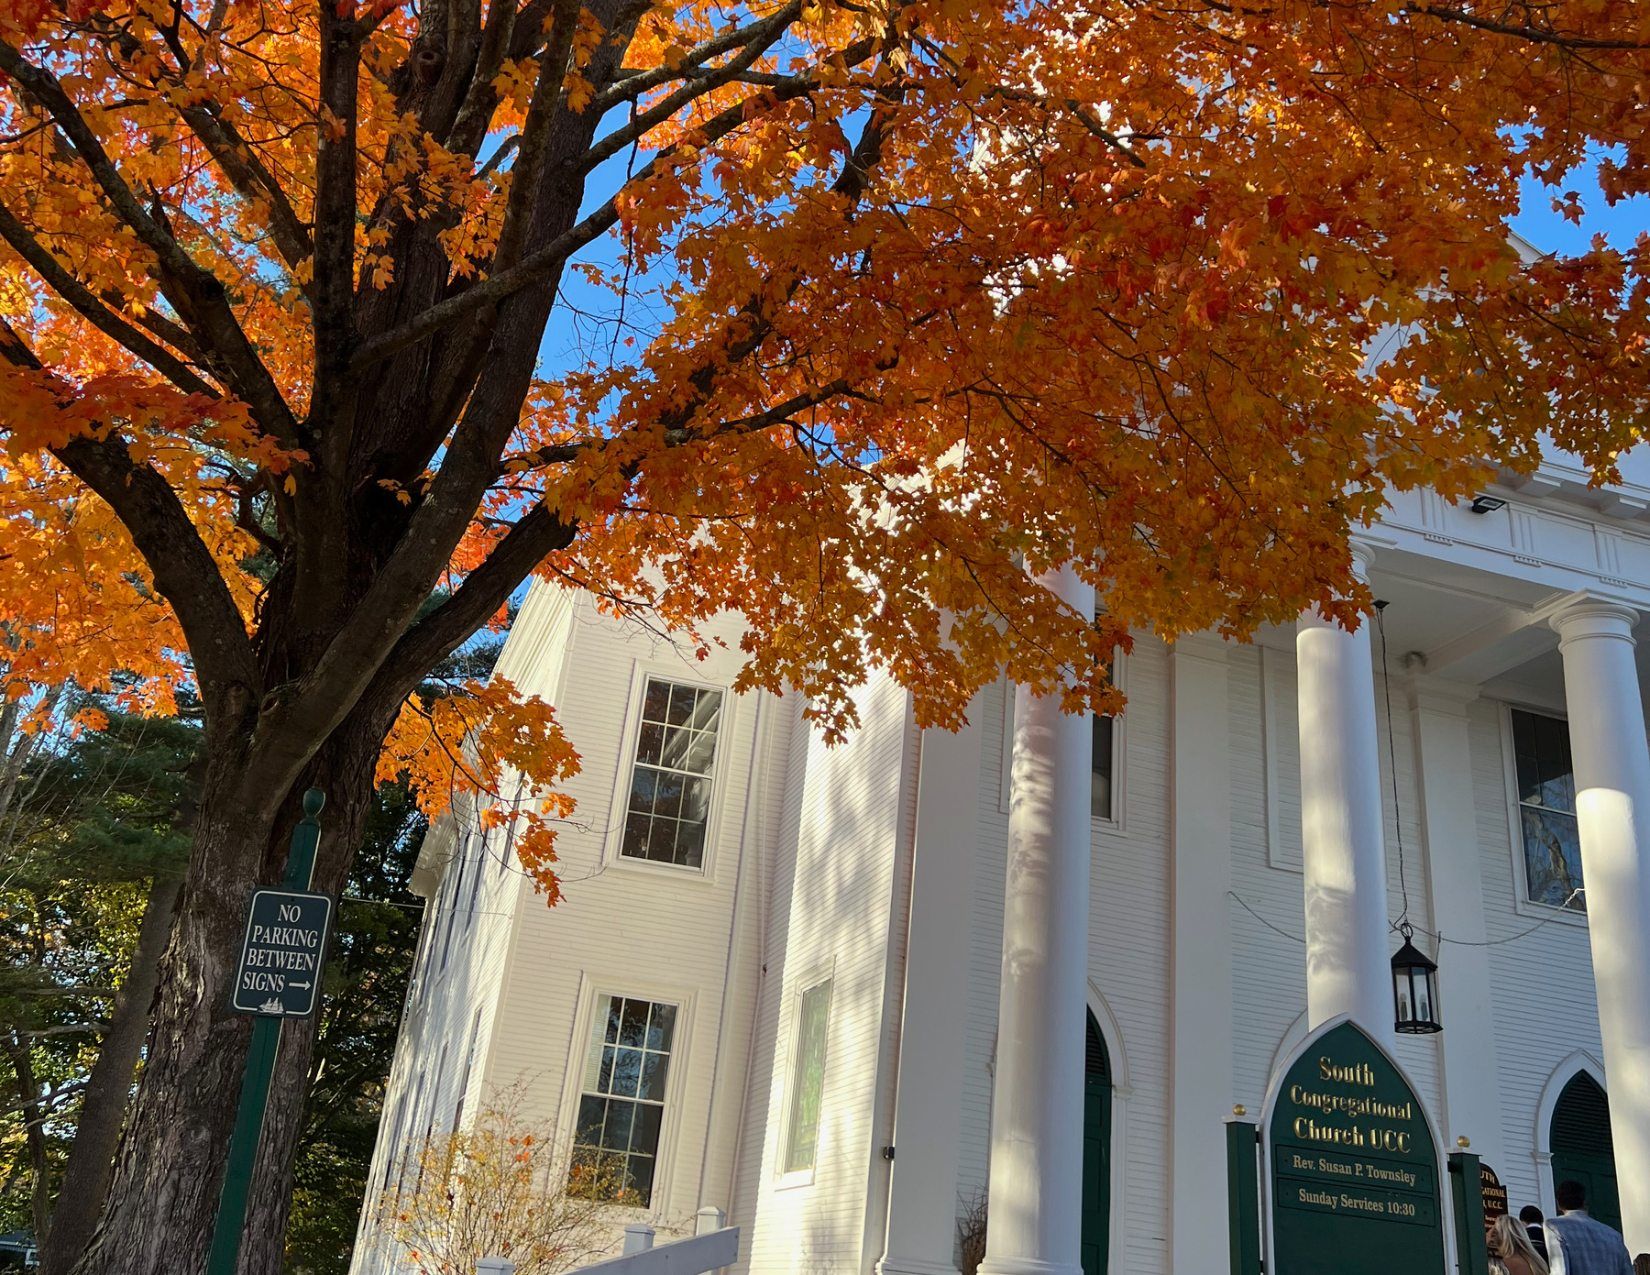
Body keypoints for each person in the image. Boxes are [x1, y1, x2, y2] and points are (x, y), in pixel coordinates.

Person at [1546, 1180, 1633, 1275]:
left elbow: (1560, 1271)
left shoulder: (1554, 1226)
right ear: (1584, 1202)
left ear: (1558, 1204)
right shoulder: (1614, 1236)